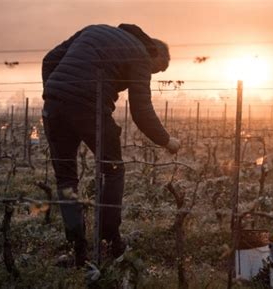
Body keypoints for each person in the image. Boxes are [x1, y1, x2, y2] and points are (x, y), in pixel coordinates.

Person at [41, 23, 180, 267]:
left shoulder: (94, 29)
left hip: (53, 104)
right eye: (157, 70)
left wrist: (55, 92)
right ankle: (109, 242)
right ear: (155, 54)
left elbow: (49, 59)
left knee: (66, 179)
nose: (153, 74)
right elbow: (141, 110)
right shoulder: (141, 53)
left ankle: (78, 251)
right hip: (89, 107)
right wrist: (167, 140)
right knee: (113, 169)